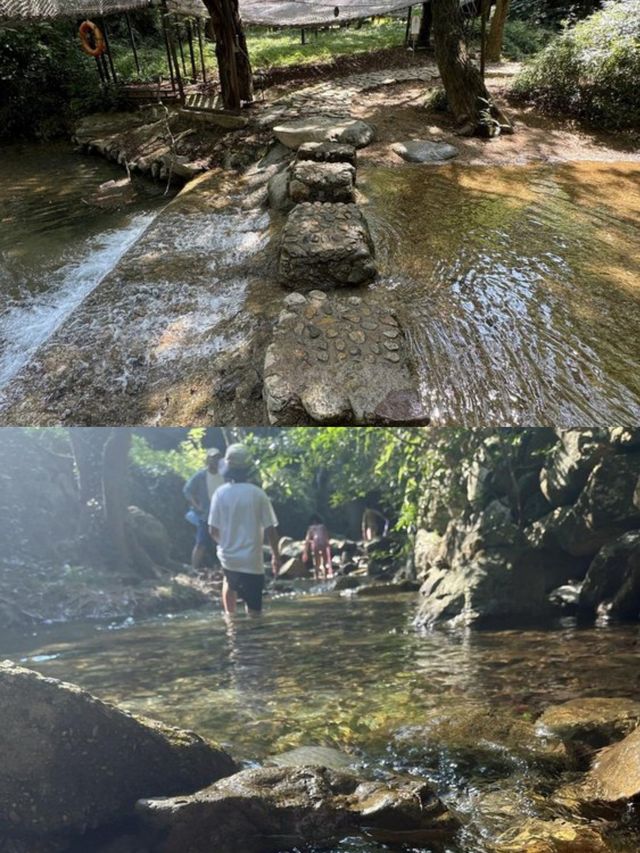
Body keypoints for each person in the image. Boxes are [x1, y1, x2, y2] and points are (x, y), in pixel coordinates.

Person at [208, 444, 281, 617]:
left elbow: (212, 530)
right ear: (248, 469)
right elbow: (271, 529)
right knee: (255, 612)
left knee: (229, 583)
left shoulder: (220, 494)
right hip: (252, 560)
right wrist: (276, 557)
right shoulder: (258, 494)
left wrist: (225, 544)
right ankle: (254, 639)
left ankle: (231, 625)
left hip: (229, 557)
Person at [183, 448, 224, 571]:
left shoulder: (225, 475)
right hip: (205, 514)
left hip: (223, 515)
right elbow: (187, 491)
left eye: (217, 458)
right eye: (212, 458)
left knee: (224, 543)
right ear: (207, 460)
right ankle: (194, 569)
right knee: (201, 543)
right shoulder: (200, 476)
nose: (215, 461)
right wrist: (196, 505)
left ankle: (226, 570)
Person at [303, 514, 333, 580]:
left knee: (316, 561)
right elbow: (326, 536)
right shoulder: (322, 527)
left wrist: (306, 549)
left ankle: (316, 576)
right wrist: (328, 544)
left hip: (315, 545)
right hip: (323, 544)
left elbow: (307, 538)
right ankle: (325, 575)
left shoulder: (310, 528)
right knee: (325, 561)